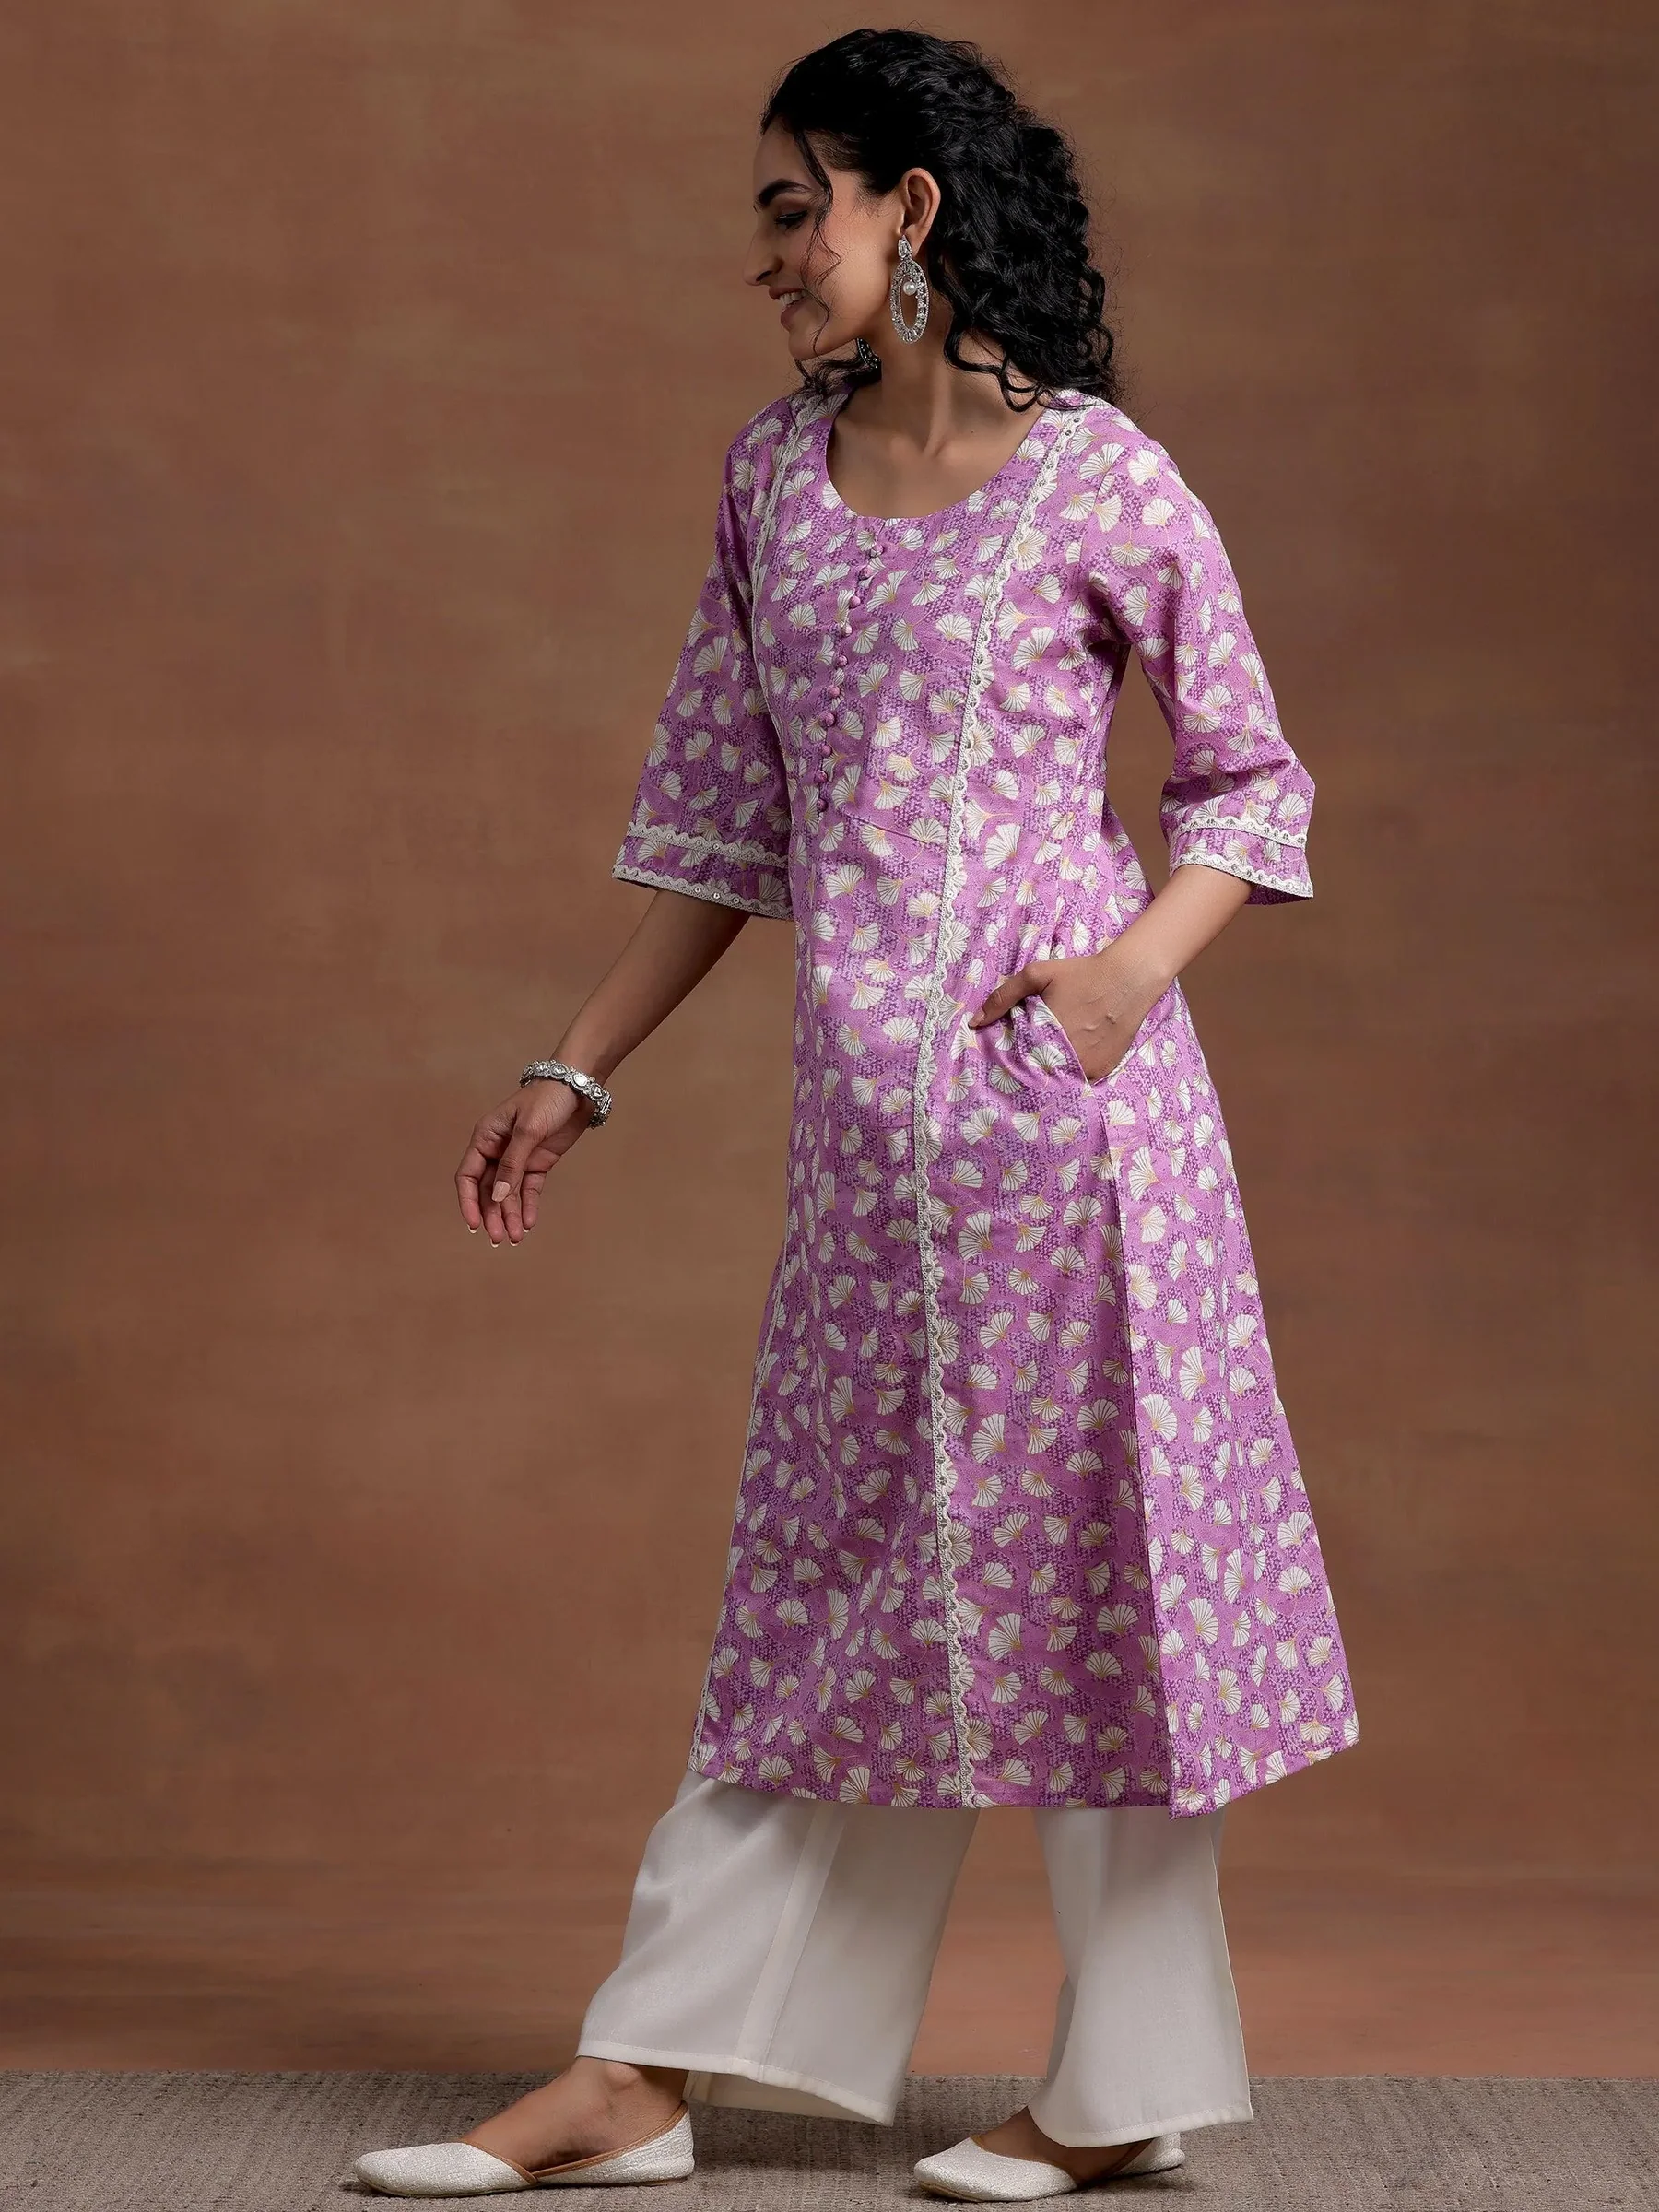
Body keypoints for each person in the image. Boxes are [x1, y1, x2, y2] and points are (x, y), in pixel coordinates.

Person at [354, 28, 1356, 2202]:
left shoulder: (1103, 479)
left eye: (794, 208)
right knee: (821, 1596)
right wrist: (574, 1069)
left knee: (1106, 1594)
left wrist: (1120, 985)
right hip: (868, 1181)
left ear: (914, 208)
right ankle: (646, 2076)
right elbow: (728, 825)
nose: (769, 255)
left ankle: (1121, 2089)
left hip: (1078, 1158)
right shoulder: (768, 484)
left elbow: (1251, 785)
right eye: (764, 216)